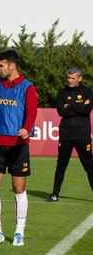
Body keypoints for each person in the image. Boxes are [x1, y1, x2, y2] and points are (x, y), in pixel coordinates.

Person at [0, 50, 36, 246]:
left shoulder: (27, 87)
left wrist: (27, 129)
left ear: (12, 66)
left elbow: (32, 112)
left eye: (1, 65)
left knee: (18, 187)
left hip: (17, 145)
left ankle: (19, 231)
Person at [49, 67, 93, 201]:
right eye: (68, 78)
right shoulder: (62, 92)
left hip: (82, 134)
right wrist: (78, 107)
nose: (69, 80)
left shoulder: (87, 91)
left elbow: (87, 110)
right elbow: (61, 112)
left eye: (73, 78)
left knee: (89, 165)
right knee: (61, 165)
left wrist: (70, 105)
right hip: (66, 135)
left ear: (79, 78)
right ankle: (55, 194)